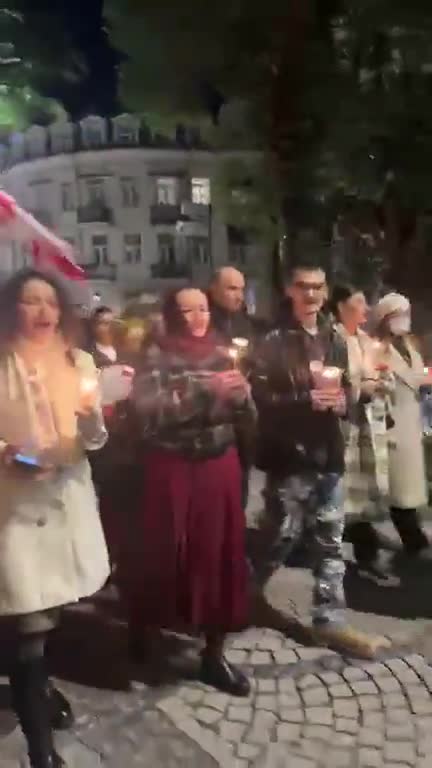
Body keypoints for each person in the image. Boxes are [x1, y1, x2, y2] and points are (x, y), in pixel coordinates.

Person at [251, 259, 391, 658]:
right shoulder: (274, 340)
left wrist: (344, 400)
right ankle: (245, 594)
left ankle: (329, 620)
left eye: (317, 286)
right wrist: (302, 401)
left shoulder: (335, 337)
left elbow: (347, 387)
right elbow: (259, 397)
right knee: (279, 537)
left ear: (325, 292)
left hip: (328, 452)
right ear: (289, 292)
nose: (311, 294)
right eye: (302, 286)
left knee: (330, 542)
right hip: (290, 457)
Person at [0, 269, 109, 768]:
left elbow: (95, 441)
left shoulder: (78, 360)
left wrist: (91, 422)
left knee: (52, 611)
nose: (43, 311)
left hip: (67, 507)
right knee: (28, 629)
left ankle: (39, 684)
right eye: (30, 301)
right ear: (11, 308)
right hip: (15, 514)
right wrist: (17, 459)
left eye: (50, 302)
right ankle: (41, 752)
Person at [128, 287, 256, 696]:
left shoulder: (224, 351)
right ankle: (146, 626)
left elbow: (245, 416)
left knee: (221, 554)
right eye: (186, 310)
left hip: (218, 465)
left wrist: (244, 397)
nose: (196, 317)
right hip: (172, 467)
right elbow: (148, 412)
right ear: (171, 314)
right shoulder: (155, 355)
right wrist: (205, 391)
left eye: (202, 308)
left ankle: (214, 652)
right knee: (165, 551)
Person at [330, 284, 397, 585]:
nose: (367, 310)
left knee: (362, 498)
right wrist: (360, 390)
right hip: (344, 431)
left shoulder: (367, 341)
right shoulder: (332, 340)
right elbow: (330, 382)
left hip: (368, 429)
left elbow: (385, 376)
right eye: (360, 303)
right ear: (342, 307)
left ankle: (361, 553)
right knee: (342, 499)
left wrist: (383, 382)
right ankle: (351, 557)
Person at [373, 293, 430, 556]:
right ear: (384, 319)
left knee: (411, 492)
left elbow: (417, 377)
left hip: (412, 424)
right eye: (397, 315)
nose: (403, 320)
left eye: (405, 313)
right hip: (392, 426)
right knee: (400, 494)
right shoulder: (376, 349)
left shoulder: (410, 346)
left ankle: (415, 541)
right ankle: (415, 543)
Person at [208, 267, 256, 508]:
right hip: (212, 423)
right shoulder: (204, 322)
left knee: (240, 494)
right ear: (213, 289)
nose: (239, 296)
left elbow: (257, 362)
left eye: (242, 289)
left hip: (242, 424)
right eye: (232, 288)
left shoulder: (244, 323)